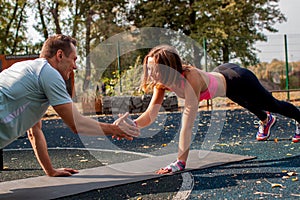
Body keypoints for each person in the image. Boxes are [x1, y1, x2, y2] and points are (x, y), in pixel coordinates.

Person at [127, 44, 300, 174]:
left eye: (155, 69)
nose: (150, 74)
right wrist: (132, 125)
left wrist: (180, 162)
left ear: (169, 68)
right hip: (221, 76)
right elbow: (150, 114)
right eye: (149, 69)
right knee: (245, 101)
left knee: (271, 104)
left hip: (237, 79)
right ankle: (266, 120)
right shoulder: (161, 84)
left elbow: (187, 125)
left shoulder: (190, 79)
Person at [0, 34, 140, 177]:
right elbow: (76, 123)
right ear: (59, 55)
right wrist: (115, 129)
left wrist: (51, 171)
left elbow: (34, 131)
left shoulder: (26, 69)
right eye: (73, 59)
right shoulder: (48, 73)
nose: (75, 66)